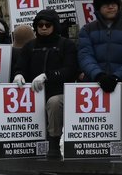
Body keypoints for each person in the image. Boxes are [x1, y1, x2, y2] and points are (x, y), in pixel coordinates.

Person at [11, 8, 79, 141]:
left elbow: (70, 70)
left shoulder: (66, 45)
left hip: (58, 92)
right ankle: (25, 140)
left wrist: (47, 75)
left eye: (48, 25)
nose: (43, 27)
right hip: (34, 92)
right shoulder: (29, 46)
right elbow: (20, 66)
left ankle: (54, 141)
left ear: (54, 26)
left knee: (53, 103)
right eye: (40, 25)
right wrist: (18, 74)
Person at [77, 0, 122, 93]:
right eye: (106, 4)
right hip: (93, 86)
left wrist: (117, 77)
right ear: (98, 8)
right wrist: (98, 75)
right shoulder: (87, 30)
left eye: (113, 4)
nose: (111, 7)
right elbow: (85, 56)